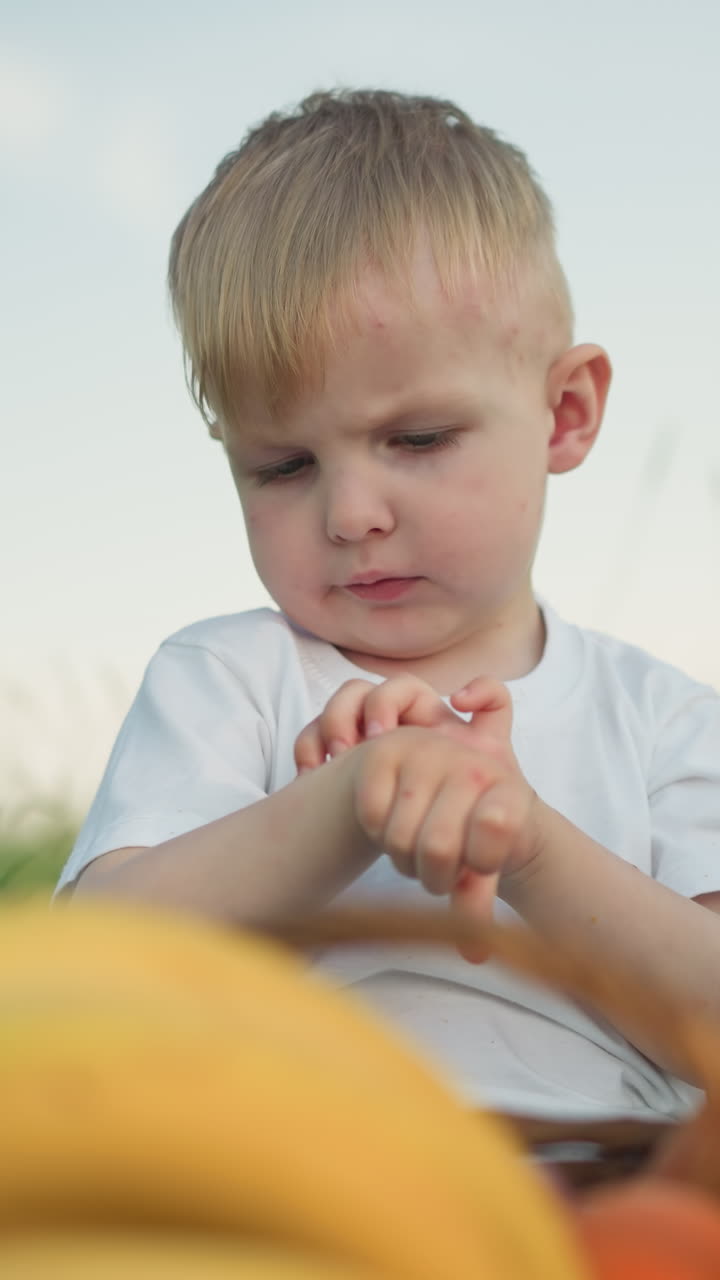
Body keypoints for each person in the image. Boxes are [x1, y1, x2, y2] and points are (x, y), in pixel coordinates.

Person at [57, 89, 720, 1122]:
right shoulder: (231, 676)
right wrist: (347, 802)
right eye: (281, 465)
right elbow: (98, 962)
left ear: (566, 412)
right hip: (279, 1167)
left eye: (416, 440)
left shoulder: (662, 717)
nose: (352, 513)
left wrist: (527, 841)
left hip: (607, 1192)